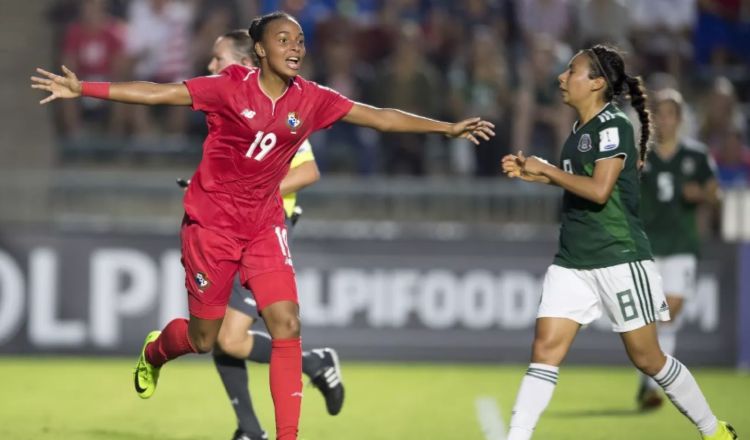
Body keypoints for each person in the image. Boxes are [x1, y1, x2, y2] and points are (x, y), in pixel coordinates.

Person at [32, 11, 494, 440]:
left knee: (287, 324)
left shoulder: (311, 99)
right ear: (259, 50)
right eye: (283, 39)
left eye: (299, 40)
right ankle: (156, 351)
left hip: (264, 226)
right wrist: (85, 89)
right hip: (211, 228)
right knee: (205, 338)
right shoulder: (229, 86)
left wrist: (447, 129)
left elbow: (380, 118)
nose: (295, 47)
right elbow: (160, 92)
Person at [500, 44, 736, 440]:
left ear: (596, 83)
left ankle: (713, 430)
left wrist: (548, 171)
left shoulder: (614, 126)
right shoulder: (578, 132)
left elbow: (598, 190)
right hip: (573, 260)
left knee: (649, 359)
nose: (561, 77)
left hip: (618, 258)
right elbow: (577, 183)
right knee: (545, 350)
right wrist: (535, 174)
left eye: (570, 71)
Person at [202, 30, 342, 440]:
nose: (211, 67)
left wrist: (248, 189)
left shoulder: (275, 104)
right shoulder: (229, 105)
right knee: (217, 332)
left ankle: (313, 365)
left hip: (265, 229)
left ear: (246, 63)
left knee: (229, 335)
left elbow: (308, 170)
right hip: (231, 227)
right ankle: (249, 429)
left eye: (218, 59)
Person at [636, 88, 720, 410]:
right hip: (649, 244)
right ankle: (650, 383)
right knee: (649, 317)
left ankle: (654, 383)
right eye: (659, 114)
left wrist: (700, 193)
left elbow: (716, 195)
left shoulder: (696, 155)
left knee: (670, 311)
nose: (664, 120)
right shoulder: (643, 156)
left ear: (680, 119)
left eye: (670, 114)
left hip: (683, 243)